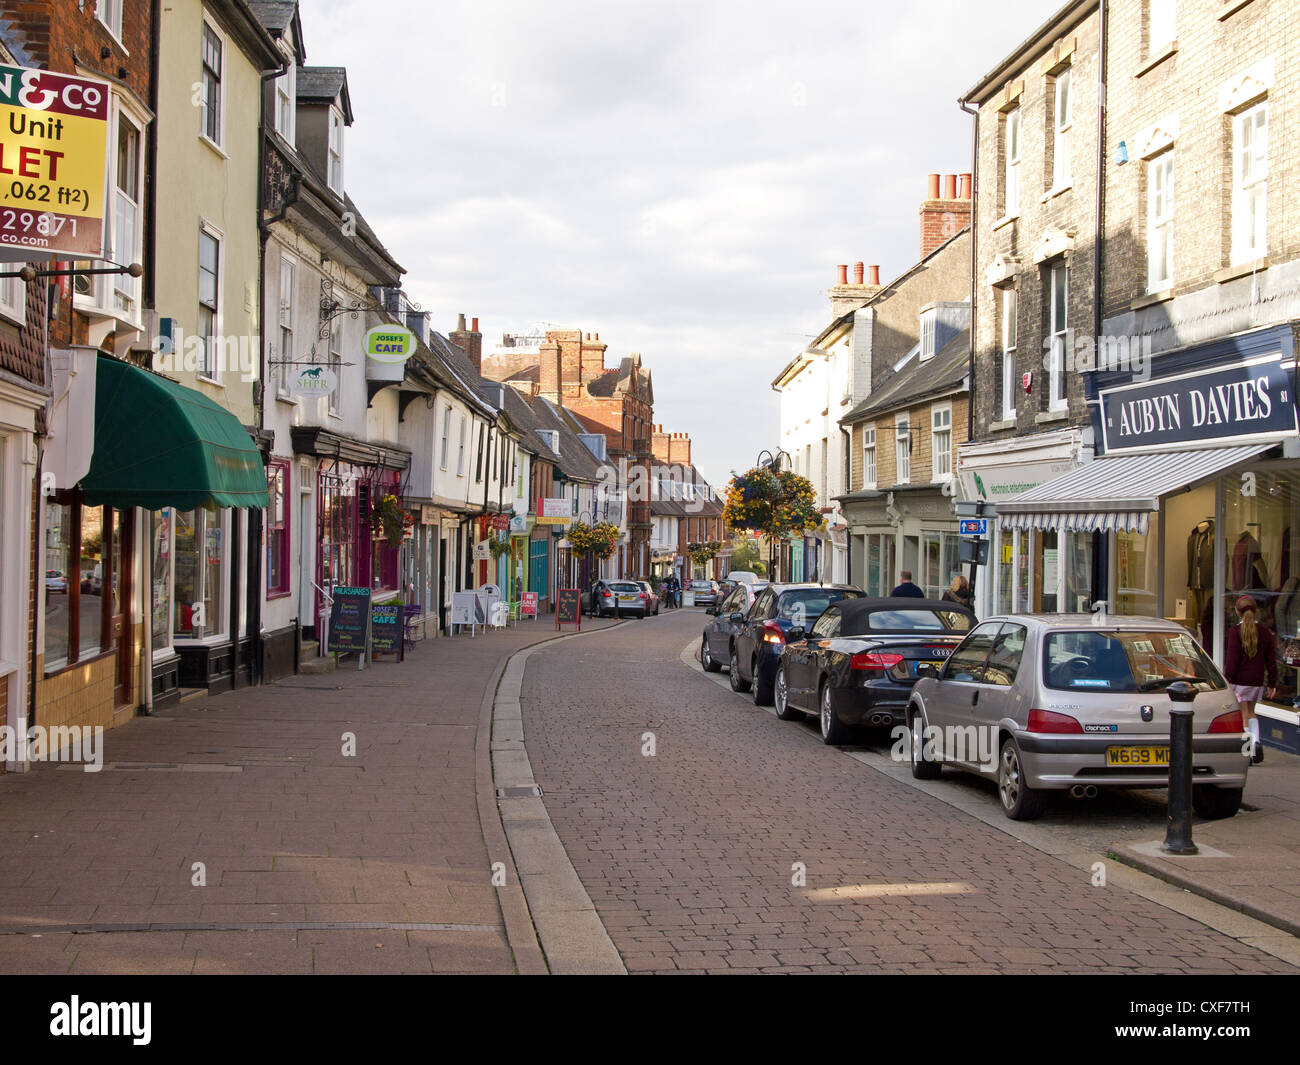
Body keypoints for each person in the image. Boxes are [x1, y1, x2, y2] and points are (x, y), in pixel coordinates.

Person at [1224, 595, 1277, 764]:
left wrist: (1228, 681)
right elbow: (1271, 660)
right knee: (1252, 712)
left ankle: (1248, 750)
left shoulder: (1234, 632)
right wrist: (1273, 683)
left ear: (1238, 612)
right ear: (1255, 610)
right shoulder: (1265, 632)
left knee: (1243, 714)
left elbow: (1232, 661)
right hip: (1257, 680)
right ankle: (1256, 742)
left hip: (1239, 680)